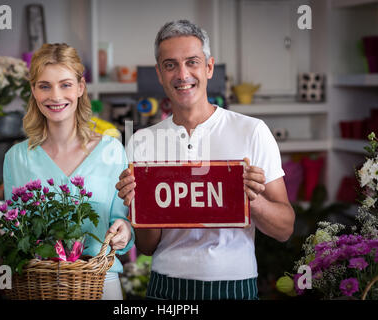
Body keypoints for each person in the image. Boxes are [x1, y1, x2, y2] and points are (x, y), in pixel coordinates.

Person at [115, 20, 295, 300]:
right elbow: (148, 246)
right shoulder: (141, 142)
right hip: (166, 286)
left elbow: (285, 228)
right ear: (160, 74)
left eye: (192, 62)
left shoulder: (252, 131)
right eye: (170, 65)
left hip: (236, 283)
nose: (182, 74)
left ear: (209, 67)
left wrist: (252, 199)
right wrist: (141, 204)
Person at [0, 43, 134, 300]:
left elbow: (121, 223)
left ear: (80, 87)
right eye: (45, 86)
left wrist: (124, 231)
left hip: (100, 284)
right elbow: (15, 230)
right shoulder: (16, 158)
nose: (55, 96)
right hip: (38, 286)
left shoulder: (112, 151)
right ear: (33, 90)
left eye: (65, 84)